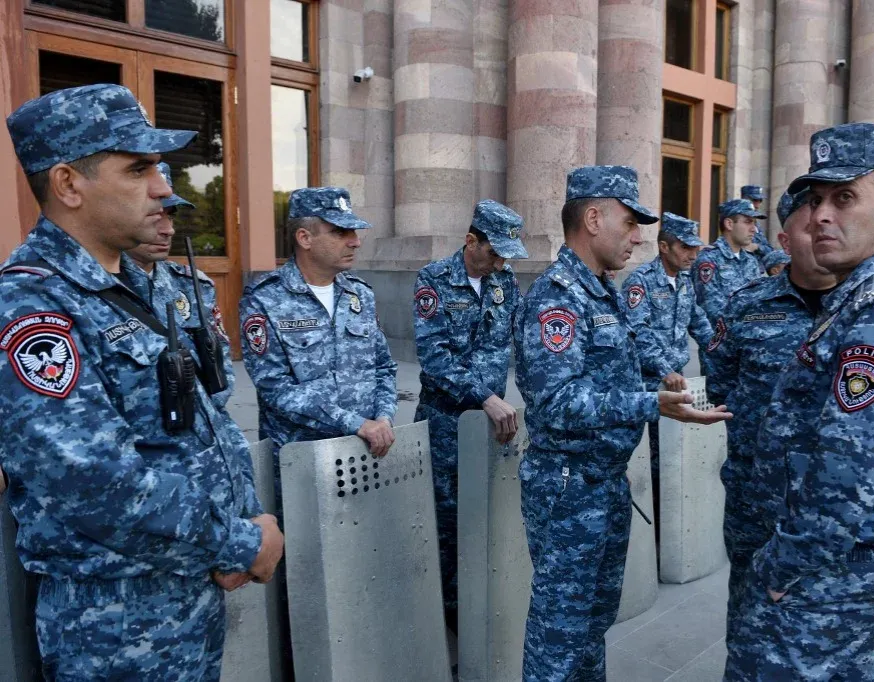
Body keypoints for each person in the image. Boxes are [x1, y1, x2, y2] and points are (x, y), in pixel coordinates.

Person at [0, 83, 282, 680]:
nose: (163, 186)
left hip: (187, 584)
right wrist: (238, 543)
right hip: (114, 622)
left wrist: (244, 521)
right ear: (69, 184)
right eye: (137, 168)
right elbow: (93, 483)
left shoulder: (134, 284)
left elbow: (208, 421)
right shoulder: (30, 305)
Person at [735, 123, 874, 680]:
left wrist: (784, 568)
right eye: (816, 199)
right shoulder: (862, 296)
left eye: (845, 197)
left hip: (823, 572)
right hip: (839, 565)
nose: (821, 216)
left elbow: (846, 471)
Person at [513, 165, 731, 682]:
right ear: (593, 218)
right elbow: (555, 402)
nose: (639, 237)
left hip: (604, 483)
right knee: (558, 638)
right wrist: (649, 403)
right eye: (630, 223)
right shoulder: (556, 298)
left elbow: (625, 356)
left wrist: (664, 380)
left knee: (591, 625)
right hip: (568, 487)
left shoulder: (601, 289)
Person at [704, 187, 838, 676]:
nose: (828, 230)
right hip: (753, 495)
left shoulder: (871, 310)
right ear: (784, 239)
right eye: (812, 224)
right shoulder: (747, 304)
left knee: (821, 633)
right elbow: (721, 381)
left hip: (830, 508)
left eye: (837, 216)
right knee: (748, 619)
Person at [413, 199, 527, 634]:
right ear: (470, 241)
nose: (499, 262)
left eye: (505, 255)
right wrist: (483, 396)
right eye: (493, 252)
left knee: (484, 511)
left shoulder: (505, 280)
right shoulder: (434, 280)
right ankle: (442, 616)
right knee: (445, 519)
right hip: (446, 421)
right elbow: (434, 358)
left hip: (489, 423)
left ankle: (476, 602)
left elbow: (520, 339)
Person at [240, 186, 398, 466]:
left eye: (354, 232)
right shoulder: (264, 299)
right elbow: (275, 387)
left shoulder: (359, 295)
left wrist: (384, 417)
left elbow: (383, 367)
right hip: (302, 463)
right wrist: (356, 423)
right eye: (340, 232)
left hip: (365, 453)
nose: (355, 242)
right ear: (305, 238)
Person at [621, 212, 714, 534]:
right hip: (649, 386)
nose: (693, 254)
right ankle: (653, 539)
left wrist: (721, 346)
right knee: (650, 462)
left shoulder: (685, 281)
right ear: (664, 246)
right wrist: (665, 368)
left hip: (677, 384)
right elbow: (636, 331)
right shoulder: (641, 281)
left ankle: (670, 536)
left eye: (696, 248)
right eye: (686, 247)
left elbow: (698, 321)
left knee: (674, 460)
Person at [125, 161, 235, 410]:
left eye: (171, 215)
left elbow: (221, 370)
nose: (168, 230)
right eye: (154, 215)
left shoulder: (193, 285)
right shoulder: (95, 289)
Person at [691, 199, 765, 337]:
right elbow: (711, 308)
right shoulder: (708, 260)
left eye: (754, 223)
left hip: (751, 341)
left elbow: (758, 301)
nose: (754, 229)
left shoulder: (751, 261)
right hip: (721, 346)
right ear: (729, 224)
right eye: (748, 221)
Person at [740, 184, 774, 263]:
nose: (757, 205)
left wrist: (757, 247)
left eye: (760, 200)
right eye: (755, 200)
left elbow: (770, 251)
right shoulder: (736, 223)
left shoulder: (756, 225)